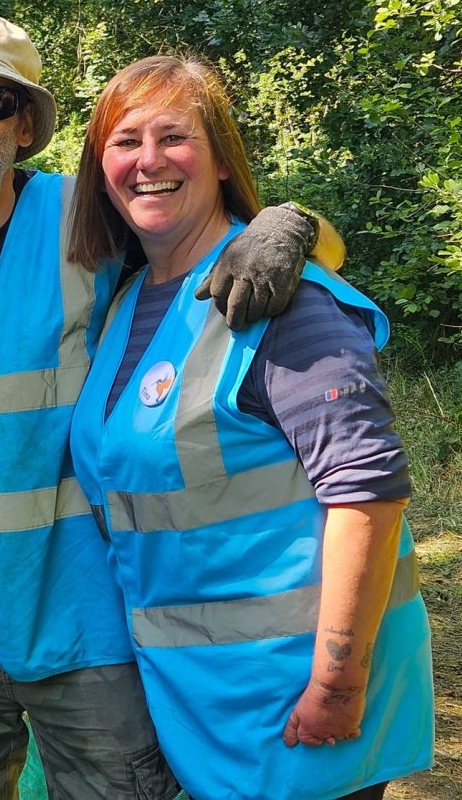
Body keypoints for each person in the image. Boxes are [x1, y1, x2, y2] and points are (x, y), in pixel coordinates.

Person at [0, 14, 325, 799]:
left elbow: (202, 223)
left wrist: (286, 225)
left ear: (25, 124)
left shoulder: (90, 220)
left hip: (89, 607)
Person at [68, 55, 435, 800]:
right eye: (124, 140)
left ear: (222, 160)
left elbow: (366, 493)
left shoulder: (286, 300)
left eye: (174, 137)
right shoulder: (128, 298)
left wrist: (338, 680)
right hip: (201, 698)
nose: (148, 161)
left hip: (302, 705)